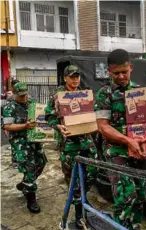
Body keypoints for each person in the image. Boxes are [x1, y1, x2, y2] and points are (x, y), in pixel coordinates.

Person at [94, 49, 146, 230]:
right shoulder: (104, 93)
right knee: (125, 196)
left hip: (139, 149)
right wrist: (126, 140)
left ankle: (134, 226)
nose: (121, 76)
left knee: (140, 194)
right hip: (116, 150)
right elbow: (102, 126)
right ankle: (120, 226)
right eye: (116, 73)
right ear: (109, 71)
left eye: (125, 71)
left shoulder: (141, 91)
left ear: (131, 67)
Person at [45, 65, 98, 229]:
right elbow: (48, 116)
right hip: (69, 144)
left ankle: (82, 197)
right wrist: (58, 127)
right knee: (73, 180)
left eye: (78, 76)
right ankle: (78, 217)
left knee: (92, 172)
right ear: (65, 78)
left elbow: (92, 113)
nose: (75, 80)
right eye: (72, 77)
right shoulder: (57, 96)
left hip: (87, 142)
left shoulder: (85, 94)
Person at [2, 82, 47, 213]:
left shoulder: (32, 103)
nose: (24, 97)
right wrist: (25, 126)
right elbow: (7, 126)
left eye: (25, 94)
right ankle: (31, 199)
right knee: (29, 168)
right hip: (20, 141)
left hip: (35, 139)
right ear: (15, 94)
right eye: (21, 95)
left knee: (41, 163)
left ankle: (24, 184)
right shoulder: (10, 107)